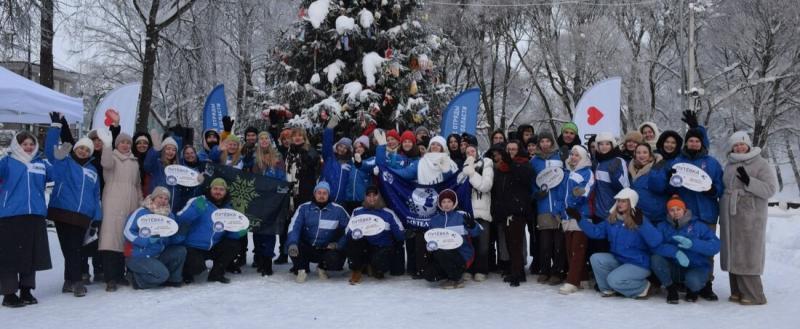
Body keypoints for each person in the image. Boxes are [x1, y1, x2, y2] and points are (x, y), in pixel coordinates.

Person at [44, 115, 102, 297]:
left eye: (87, 149)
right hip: (62, 211)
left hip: (83, 216)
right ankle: (74, 281)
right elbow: (49, 152)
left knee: (75, 248)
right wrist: (55, 127)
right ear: (75, 149)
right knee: (69, 248)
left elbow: (96, 195)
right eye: (81, 148)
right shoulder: (64, 162)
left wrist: (97, 217)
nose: (84, 151)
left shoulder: (93, 171)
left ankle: (71, 280)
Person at [719, 131, 777, 305]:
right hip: (730, 215)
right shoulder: (729, 164)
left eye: (741, 144)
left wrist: (749, 181)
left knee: (747, 252)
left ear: (748, 145)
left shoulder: (761, 163)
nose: (739, 147)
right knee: (733, 251)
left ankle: (754, 294)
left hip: (751, 217)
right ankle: (737, 291)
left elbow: (770, 189)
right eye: (735, 145)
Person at [667, 127, 724, 300]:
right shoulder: (677, 162)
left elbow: (720, 187)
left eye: (697, 141)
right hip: (684, 214)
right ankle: (685, 281)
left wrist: (713, 190)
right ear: (686, 142)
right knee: (682, 246)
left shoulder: (712, 163)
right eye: (691, 140)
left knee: (707, 250)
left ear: (702, 143)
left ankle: (706, 284)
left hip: (706, 212)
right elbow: (669, 188)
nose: (694, 143)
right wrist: (670, 181)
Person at [0, 131, 53, 307]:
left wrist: (59, 158)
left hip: (35, 214)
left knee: (31, 255)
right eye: (25, 144)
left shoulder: (40, 164)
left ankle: (26, 290)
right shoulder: (7, 162)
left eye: (31, 144)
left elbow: (57, 174)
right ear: (17, 145)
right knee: (10, 256)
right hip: (11, 215)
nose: (29, 147)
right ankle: (9, 294)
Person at [578, 188, 662, 298]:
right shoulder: (613, 219)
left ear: (631, 202)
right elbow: (596, 232)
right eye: (618, 201)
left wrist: (642, 225)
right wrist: (579, 219)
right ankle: (608, 289)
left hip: (638, 264)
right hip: (620, 260)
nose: (619, 204)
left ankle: (644, 287)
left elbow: (655, 241)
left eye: (623, 201)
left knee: (613, 279)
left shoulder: (639, 219)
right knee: (596, 258)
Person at [651, 195, 720, 304]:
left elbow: (715, 245)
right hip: (674, 266)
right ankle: (671, 289)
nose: (675, 212)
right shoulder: (662, 226)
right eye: (672, 210)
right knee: (656, 259)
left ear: (684, 210)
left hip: (696, 266)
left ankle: (694, 290)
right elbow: (655, 246)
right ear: (668, 212)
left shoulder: (698, 226)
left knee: (694, 281)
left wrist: (693, 244)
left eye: (678, 209)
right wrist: (675, 252)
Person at [98, 131, 142, 292]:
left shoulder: (134, 162)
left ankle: (120, 275)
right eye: (122, 142)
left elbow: (137, 185)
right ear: (117, 144)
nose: (125, 145)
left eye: (128, 143)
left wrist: (140, 202)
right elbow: (106, 164)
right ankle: (110, 278)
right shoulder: (112, 157)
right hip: (113, 202)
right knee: (111, 240)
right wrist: (107, 146)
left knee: (125, 239)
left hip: (131, 203)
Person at [177, 178, 242, 284]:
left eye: (221, 189)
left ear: (226, 192)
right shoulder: (198, 200)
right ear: (210, 189)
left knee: (233, 245)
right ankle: (186, 272)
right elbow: (180, 218)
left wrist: (237, 232)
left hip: (213, 246)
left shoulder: (228, 209)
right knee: (197, 268)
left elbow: (230, 232)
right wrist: (196, 210)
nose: (218, 192)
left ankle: (216, 274)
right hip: (193, 246)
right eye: (215, 188)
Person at [123, 187, 187, 289]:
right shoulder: (141, 212)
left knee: (180, 251)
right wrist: (147, 240)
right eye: (160, 197)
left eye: (166, 199)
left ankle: (173, 279)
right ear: (153, 198)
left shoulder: (169, 216)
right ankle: (137, 279)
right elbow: (127, 231)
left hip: (157, 255)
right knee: (162, 275)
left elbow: (170, 239)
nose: (163, 201)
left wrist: (181, 234)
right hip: (138, 256)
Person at [286, 182, 350, 283]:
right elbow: (294, 227)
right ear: (314, 193)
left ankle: (322, 267)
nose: (321, 196)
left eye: (325, 193)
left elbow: (350, 229)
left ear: (329, 195)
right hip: (307, 246)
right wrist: (292, 243)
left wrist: (338, 244)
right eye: (319, 192)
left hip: (327, 248)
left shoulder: (338, 210)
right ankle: (301, 269)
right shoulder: (304, 208)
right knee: (292, 245)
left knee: (335, 260)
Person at [490, 142, 534, 286]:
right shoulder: (502, 167)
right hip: (505, 209)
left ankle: (518, 273)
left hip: (518, 209)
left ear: (519, 150)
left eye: (513, 149)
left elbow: (524, 179)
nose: (511, 152)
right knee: (509, 242)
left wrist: (512, 164)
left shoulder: (524, 164)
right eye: (508, 149)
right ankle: (514, 270)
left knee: (516, 243)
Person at [422, 189, 482, 289]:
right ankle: (452, 273)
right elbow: (430, 240)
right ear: (440, 203)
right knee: (429, 275)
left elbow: (477, 233)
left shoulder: (462, 216)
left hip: (462, 255)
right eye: (444, 202)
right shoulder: (434, 220)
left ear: (454, 203)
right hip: (442, 256)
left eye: (449, 201)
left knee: (442, 252)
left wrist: (472, 226)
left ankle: (455, 279)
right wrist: (429, 246)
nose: (446, 204)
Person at [346, 186, 405, 284]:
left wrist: (399, 233)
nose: (372, 198)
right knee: (354, 242)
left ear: (379, 197)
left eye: (375, 195)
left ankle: (375, 268)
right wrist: (354, 234)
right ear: (365, 197)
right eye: (368, 196)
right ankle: (357, 270)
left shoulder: (388, 213)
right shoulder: (357, 211)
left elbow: (400, 235)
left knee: (381, 261)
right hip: (363, 247)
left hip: (381, 247)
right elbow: (348, 232)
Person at [530, 130, 567, 285]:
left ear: (552, 142)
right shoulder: (534, 161)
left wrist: (561, 202)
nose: (545, 144)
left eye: (548, 141)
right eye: (542, 141)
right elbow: (532, 182)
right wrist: (536, 194)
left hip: (558, 205)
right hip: (543, 206)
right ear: (539, 144)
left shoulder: (560, 157)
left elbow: (564, 179)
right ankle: (544, 270)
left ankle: (558, 271)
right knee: (545, 242)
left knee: (559, 242)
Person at [250, 132, 287, 276]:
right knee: (257, 229)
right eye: (261, 138)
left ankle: (267, 260)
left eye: (266, 138)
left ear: (270, 141)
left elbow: (281, 177)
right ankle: (259, 257)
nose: (264, 140)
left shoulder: (278, 158)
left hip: (272, 199)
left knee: (270, 231)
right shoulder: (254, 158)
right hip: (257, 198)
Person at [282, 126, 320, 264]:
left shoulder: (309, 151)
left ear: (304, 138)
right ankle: (292, 257)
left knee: (303, 226)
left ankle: (304, 260)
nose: (297, 138)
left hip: (305, 193)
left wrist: (303, 153)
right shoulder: (288, 152)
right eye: (294, 136)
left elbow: (313, 162)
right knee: (290, 226)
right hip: (291, 195)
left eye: (300, 135)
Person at [560, 145, 594, 295]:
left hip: (581, 215)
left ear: (583, 158)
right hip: (567, 216)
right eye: (572, 155)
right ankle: (582, 278)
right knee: (570, 249)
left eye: (577, 155)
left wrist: (574, 203)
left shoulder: (586, 172)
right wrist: (560, 209)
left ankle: (572, 281)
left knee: (577, 250)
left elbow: (585, 190)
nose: (573, 157)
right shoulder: (569, 172)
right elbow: (563, 194)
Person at [591, 132, 629, 254]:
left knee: (613, 246)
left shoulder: (619, 160)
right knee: (599, 246)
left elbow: (625, 187)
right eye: (600, 144)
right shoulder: (596, 162)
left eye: (607, 144)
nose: (604, 146)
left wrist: (615, 175)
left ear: (612, 145)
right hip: (598, 212)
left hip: (613, 211)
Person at [460, 144, 493, 281]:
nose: (470, 154)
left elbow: (486, 186)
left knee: (483, 243)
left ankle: (481, 270)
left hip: (482, 209)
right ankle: (468, 268)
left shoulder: (486, 163)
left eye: (472, 151)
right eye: (467, 152)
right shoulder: (462, 168)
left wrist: (472, 173)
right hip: (467, 210)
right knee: (468, 243)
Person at [143, 131, 183, 209]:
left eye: (174, 150)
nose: (171, 152)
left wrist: (196, 180)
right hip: (156, 207)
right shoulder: (157, 164)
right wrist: (155, 150)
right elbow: (147, 166)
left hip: (172, 208)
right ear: (163, 149)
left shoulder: (179, 168)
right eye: (168, 149)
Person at [629, 143, 667, 224]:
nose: (641, 155)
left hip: (656, 216)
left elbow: (660, 188)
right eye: (638, 152)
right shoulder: (631, 168)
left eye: (645, 152)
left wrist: (655, 172)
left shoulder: (658, 167)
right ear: (635, 154)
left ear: (650, 154)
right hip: (638, 215)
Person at [321, 116, 353, 204]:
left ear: (348, 151)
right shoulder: (329, 157)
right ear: (337, 146)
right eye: (341, 146)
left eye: (345, 148)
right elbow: (327, 144)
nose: (342, 149)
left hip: (342, 200)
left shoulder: (350, 163)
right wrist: (329, 129)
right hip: (325, 197)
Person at [343, 135, 376, 213]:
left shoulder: (371, 159)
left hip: (363, 199)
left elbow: (368, 165)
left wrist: (360, 162)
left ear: (365, 147)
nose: (358, 149)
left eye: (360, 147)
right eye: (356, 148)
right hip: (349, 199)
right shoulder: (351, 161)